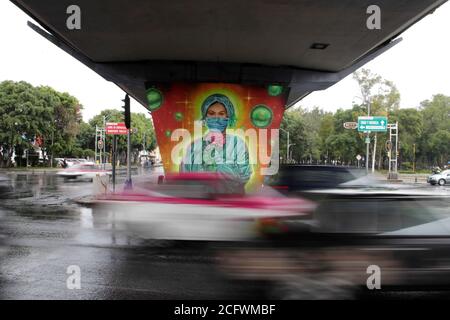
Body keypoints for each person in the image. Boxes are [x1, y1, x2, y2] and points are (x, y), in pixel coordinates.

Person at [180, 93, 252, 188]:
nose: (216, 118)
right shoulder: (194, 146)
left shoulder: (238, 144)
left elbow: (245, 176)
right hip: (200, 201)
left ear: (228, 116)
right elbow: (184, 177)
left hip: (229, 200)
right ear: (205, 117)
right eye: (211, 113)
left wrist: (221, 167)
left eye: (221, 114)